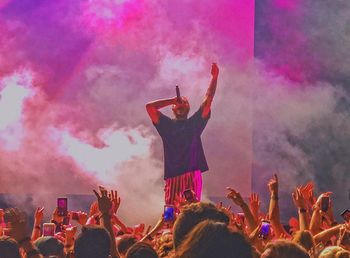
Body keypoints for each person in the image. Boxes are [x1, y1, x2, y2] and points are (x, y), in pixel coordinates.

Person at [146, 63, 219, 204]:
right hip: (173, 176)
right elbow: (150, 107)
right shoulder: (166, 125)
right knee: (171, 213)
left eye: (183, 102)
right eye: (177, 104)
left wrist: (214, 78)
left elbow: (208, 100)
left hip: (192, 173)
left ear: (188, 107)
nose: (180, 104)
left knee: (192, 212)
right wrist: (172, 100)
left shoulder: (194, 123)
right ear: (172, 108)